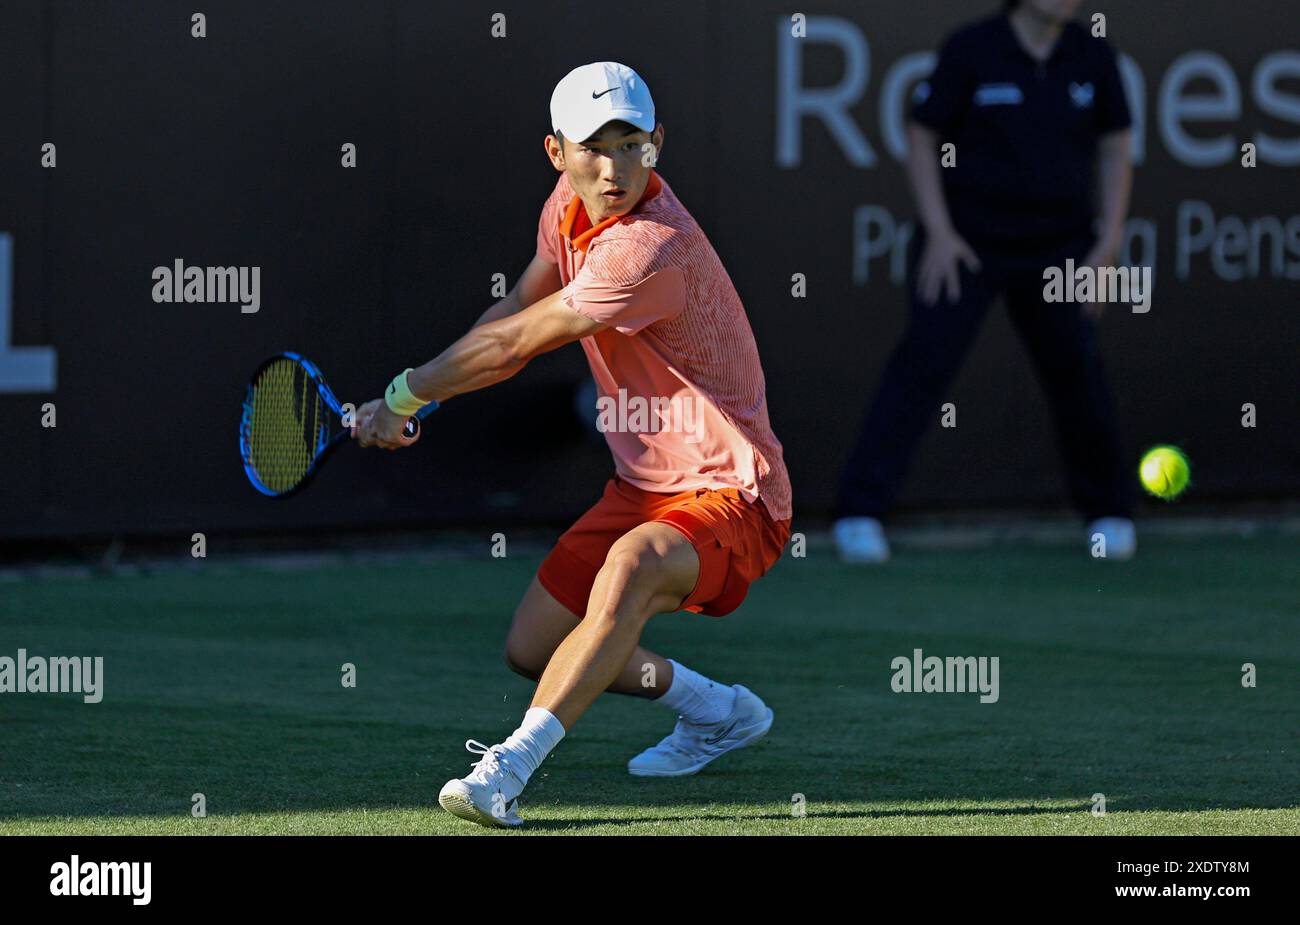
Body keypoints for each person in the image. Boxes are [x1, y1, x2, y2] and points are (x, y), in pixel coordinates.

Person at [353, 62, 792, 828]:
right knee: (534, 645)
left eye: (631, 144)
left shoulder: (649, 248)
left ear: (657, 144)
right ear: (557, 153)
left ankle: (506, 769)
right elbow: (514, 310)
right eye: (593, 147)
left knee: (632, 566)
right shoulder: (565, 208)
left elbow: (518, 341)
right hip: (644, 482)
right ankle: (717, 709)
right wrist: (409, 397)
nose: (613, 167)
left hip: (735, 490)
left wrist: (403, 395)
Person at [835, 0, 1136, 563]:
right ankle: (860, 514)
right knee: (923, 364)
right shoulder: (971, 48)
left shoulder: (1093, 56)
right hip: (967, 245)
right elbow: (923, 135)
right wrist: (941, 231)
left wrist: (1108, 244)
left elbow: (1116, 147)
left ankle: (1110, 514)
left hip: (1061, 248)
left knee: (1077, 369)